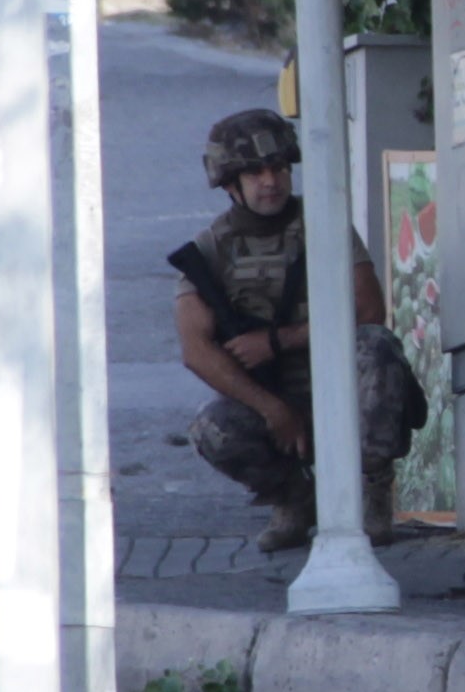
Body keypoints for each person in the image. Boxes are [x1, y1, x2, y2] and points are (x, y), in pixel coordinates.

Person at [174, 107, 422, 552]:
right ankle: (294, 498)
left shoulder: (324, 225)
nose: (270, 181)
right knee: (210, 428)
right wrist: (272, 409)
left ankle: (372, 487)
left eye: (278, 168)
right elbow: (196, 349)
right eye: (255, 173)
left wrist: (278, 341)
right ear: (231, 185)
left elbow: (369, 310)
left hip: (343, 387)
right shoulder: (211, 249)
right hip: (275, 399)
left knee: (377, 347)